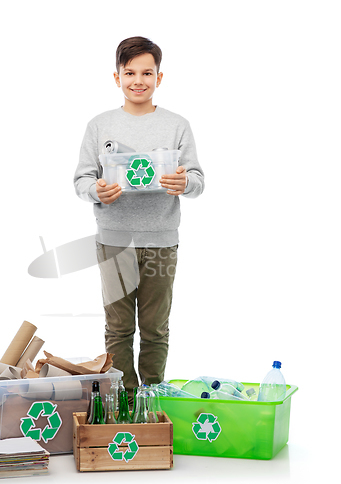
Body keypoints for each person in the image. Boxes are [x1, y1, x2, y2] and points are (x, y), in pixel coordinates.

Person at [74, 36, 204, 405]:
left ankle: (152, 399)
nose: (138, 80)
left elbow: (197, 180)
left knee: (154, 328)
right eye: (129, 72)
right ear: (116, 77)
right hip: (114, 241)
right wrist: (95, 190)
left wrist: (185, 183)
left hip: (162, 241)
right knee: (117, 328)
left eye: (147, 72)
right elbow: (81, 180)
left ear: (159, 78)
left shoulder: (177, 125)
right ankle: (123, 401)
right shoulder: (100, 126)